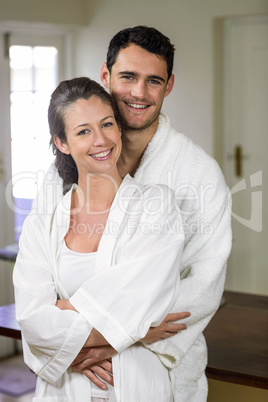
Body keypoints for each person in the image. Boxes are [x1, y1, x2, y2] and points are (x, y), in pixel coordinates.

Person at [29, 26, 232, 401]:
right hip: (73, 370)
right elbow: (36, 285)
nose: (139, 93)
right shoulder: (62, 174)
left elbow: (204, 284)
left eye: (153, 81)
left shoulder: (199, 175)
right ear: (105, 76)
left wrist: (116, 338)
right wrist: (69, 341)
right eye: (127, 77)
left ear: (168, 86)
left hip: (155, 370)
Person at [13, 77, 187, 401]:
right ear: (62, 142)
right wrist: (137, 331)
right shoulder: (42, 225)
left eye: (107, 124)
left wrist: (61, 316)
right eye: (83, 131)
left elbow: (141, 300)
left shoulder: (156, 207)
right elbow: (31, 320)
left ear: (119, 129)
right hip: (64, 390)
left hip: (136, 385)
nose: (101, 139)